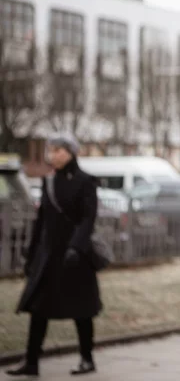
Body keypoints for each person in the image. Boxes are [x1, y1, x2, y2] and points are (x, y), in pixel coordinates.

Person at [7, 133, 102, 377]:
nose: (53, 155)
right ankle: (31, 362)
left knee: (82, 309)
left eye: (59, 150)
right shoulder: (49, 182)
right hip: (49, 256)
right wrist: (31, 254)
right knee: (39, 308)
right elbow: (41, 222)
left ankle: (87, 358)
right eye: (51, 150)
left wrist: (76, 247)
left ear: (71, 152)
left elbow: (88, 218)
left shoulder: (85, 182)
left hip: (75, 256)